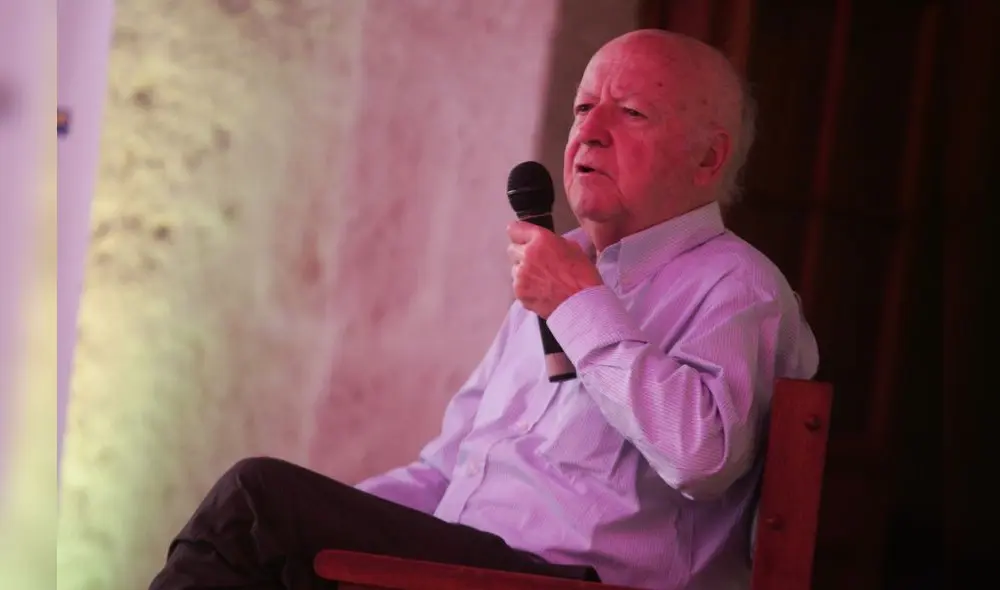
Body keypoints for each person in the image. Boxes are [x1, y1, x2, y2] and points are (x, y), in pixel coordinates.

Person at [149, 29, 819, 590]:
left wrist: (580, 304)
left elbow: (701, 457)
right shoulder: (565, 265)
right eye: (585, 107)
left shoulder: (739, 286)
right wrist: (332, 519)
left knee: (255, 502)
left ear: (708, 158)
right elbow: (450, 468)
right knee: (270, 532)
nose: (590, 131)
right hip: (469, 566)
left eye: (632, 113)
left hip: (565, 581)